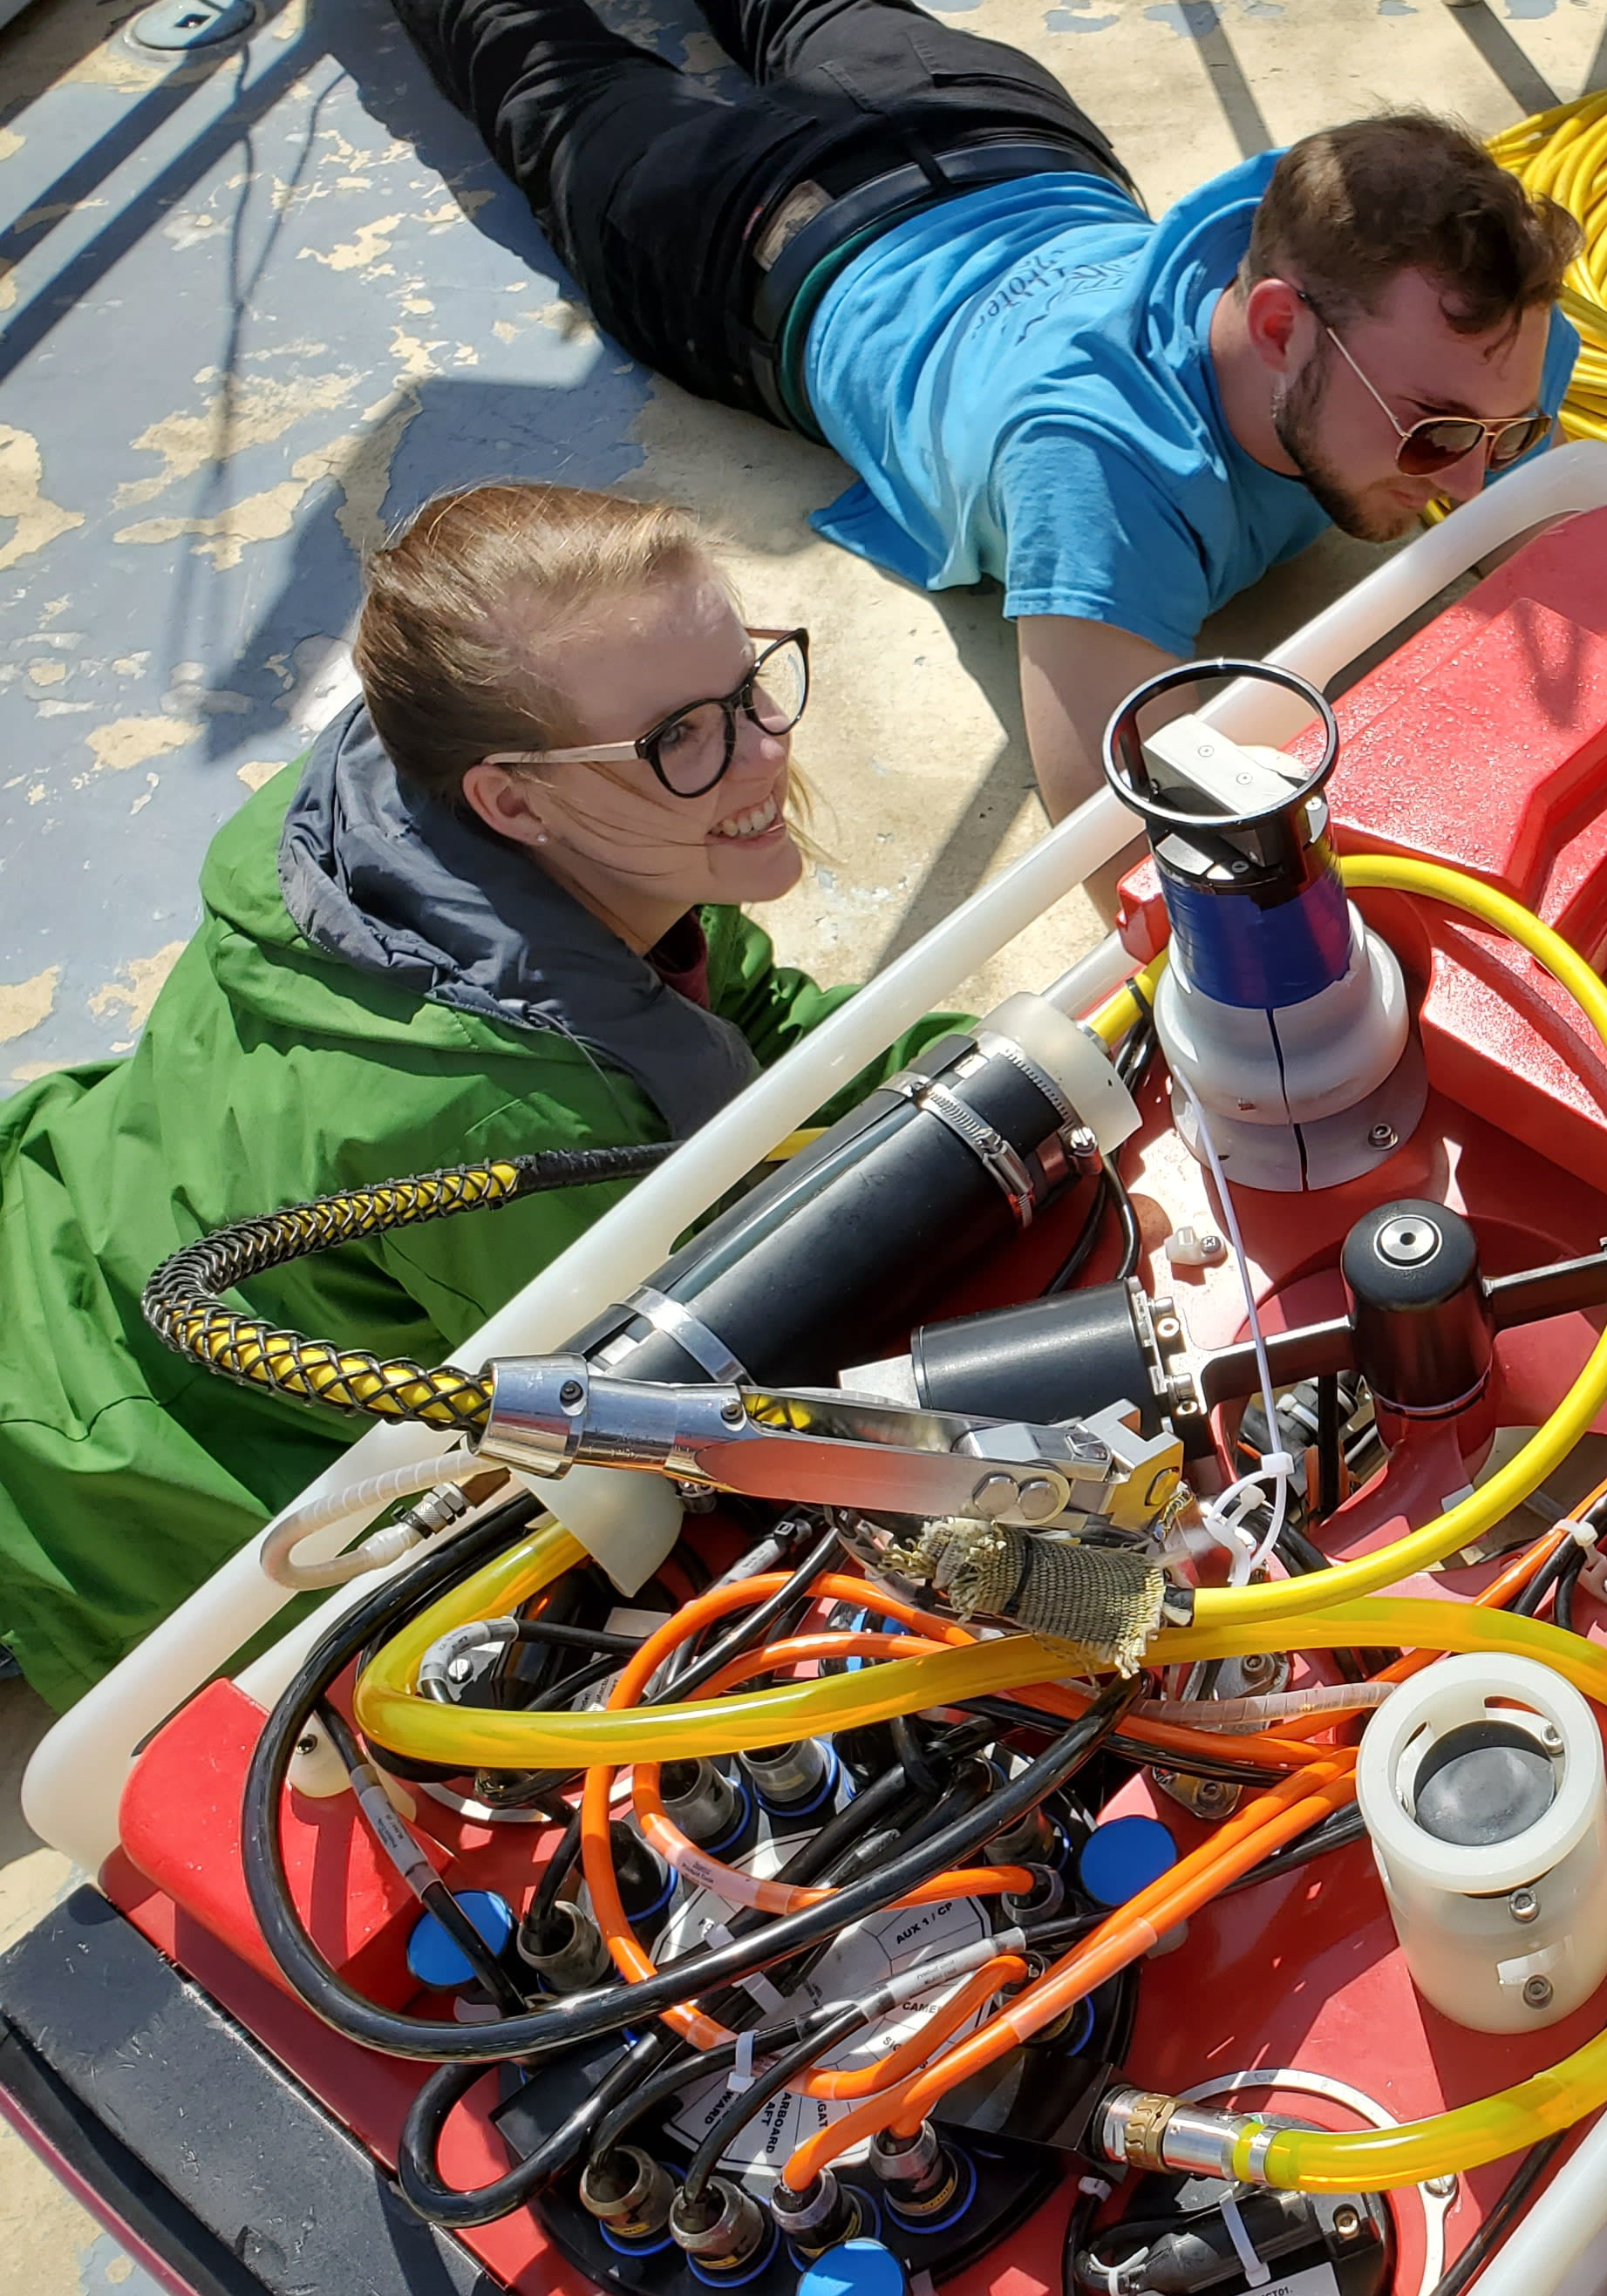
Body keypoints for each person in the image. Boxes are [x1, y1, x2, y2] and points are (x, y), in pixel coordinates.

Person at [0, 482, 956, 1714]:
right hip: (92, 1475)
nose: (766, 747)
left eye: (751, 684)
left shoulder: (472, 823)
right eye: (683, 736)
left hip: (67, 1220)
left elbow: (746, 1024)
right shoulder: (506, 1111)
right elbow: (656, 1425)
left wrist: (1006, 1052)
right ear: (511, 798)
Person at [353, 0, 1582, 845]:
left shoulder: (1460, 322)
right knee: (521, 37)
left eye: (1509, 433)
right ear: (1277, 325)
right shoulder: (1104, 471)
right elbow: (1129, 839)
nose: (1477, 480)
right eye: (1433, 439)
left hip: (994, 129)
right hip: (757, 233)